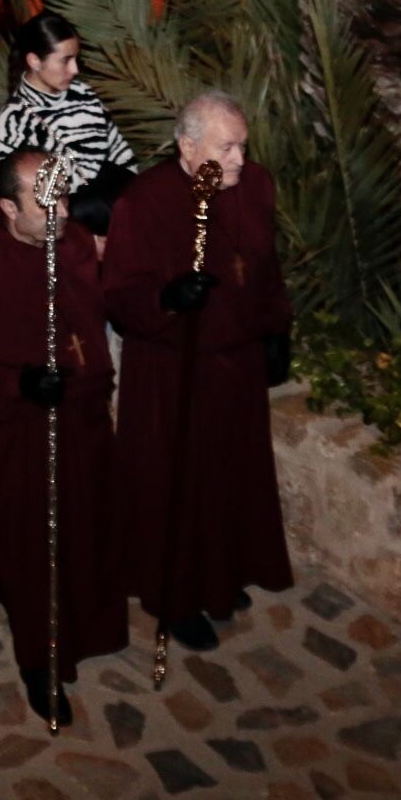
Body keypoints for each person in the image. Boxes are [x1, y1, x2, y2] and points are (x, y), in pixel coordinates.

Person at [0, 148, 126, 723]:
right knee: (31, 543)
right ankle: (40, 663)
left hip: (85, 424)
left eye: (63, 196)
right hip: (21, 438)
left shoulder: (73, 244)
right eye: (45, 202)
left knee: (87, 530)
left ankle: (84, 621)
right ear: (7, 208)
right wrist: (18, 384)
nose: (60, 211)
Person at [104, 90, 291, 652]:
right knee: (177, 484)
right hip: (171, 372)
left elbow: (264, 266)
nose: (239, 159)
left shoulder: (254, 186)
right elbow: (118, 294)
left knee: (230, 479)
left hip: (237, 366)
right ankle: (176, 596)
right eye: (227, 147)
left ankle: (222, 576)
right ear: (188, 148)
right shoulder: (144, 201)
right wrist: (166, 297)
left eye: (243, 146)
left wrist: (277, 329)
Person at [0, 13, 136, 240]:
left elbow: (121, 154)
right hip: (66, 232)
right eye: (65, 60)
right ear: (35, 61)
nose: (75, 69)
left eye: (76, 58)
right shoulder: (13, 119)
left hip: (117, 218)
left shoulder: (85, 95)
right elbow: (18, 197)